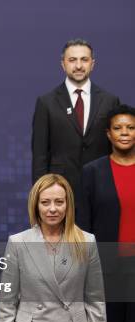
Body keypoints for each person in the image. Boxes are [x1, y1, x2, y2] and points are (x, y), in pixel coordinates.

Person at [0, 173, 106, 322]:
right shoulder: (18, 243)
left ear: (69, 204)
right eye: (45, 202)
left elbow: (95, 299)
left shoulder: (87, 242)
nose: (53, 209)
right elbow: (7, 302)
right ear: (35, 204)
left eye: (59, 202)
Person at [79, 104, 135, 322]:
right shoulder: (93, 171)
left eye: (130, 127)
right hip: (106, 267)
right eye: (118, 128)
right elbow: (84, 224)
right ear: (108, 133)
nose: (125, 133)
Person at [31, 38, 120, 209]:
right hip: (59, 193)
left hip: (101, 189)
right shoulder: (46, 102)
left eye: (84, 60)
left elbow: (115, 151)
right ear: (63, 64)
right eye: (72, 60)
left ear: (92, 64)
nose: (78, 66)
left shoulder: (110, 101)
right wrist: (40, 194)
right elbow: (40, 155)